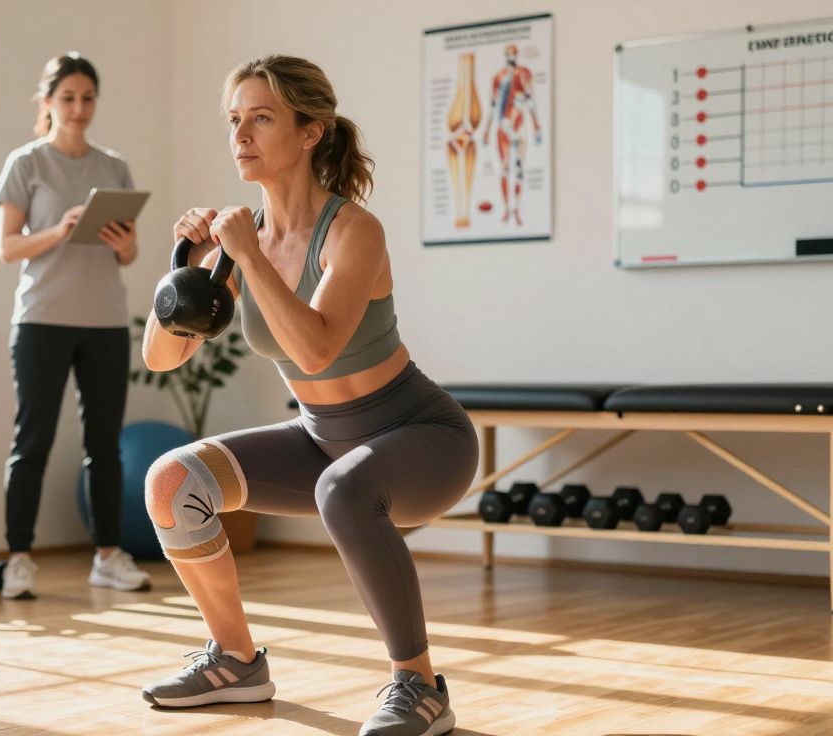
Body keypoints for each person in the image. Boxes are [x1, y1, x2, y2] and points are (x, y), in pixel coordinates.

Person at [138, 55, 479, 736]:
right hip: (322, 439)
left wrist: (247, 255)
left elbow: (316, 347)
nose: (240, 134)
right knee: (172, 482)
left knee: (342, 491)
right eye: (234, 119)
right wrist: (185, 270)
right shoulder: (240, 244)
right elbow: (161, 356)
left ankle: (419, 686)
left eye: (261, 118)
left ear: (310, 132)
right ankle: (235, 660)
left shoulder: (353, 230)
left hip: (423, 438)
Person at [0, 52, 150, 599]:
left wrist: (125, 245)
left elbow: (128, 255)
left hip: (105, 321)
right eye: (68, 98)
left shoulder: (114, 166)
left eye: (87, 98)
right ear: (47, 102)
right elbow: (6, 247)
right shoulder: (26, 163)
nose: (79, 108)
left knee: (105, 446)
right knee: (32, 441)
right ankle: (18, 559)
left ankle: (108, 556)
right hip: (42, 321)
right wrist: (59, 230)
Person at [481, 43, 542, 227]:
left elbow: (531, 100)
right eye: (508, 54)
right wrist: (486, 129)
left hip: (519, 125)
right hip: (503, 126)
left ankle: (517, 210)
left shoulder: (524, 73)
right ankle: (507, 209)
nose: (511, 57)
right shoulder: (498, 77)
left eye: (514, 54)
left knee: (519, 167)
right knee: (506, 168)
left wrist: (536, 124)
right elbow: (493, 105)